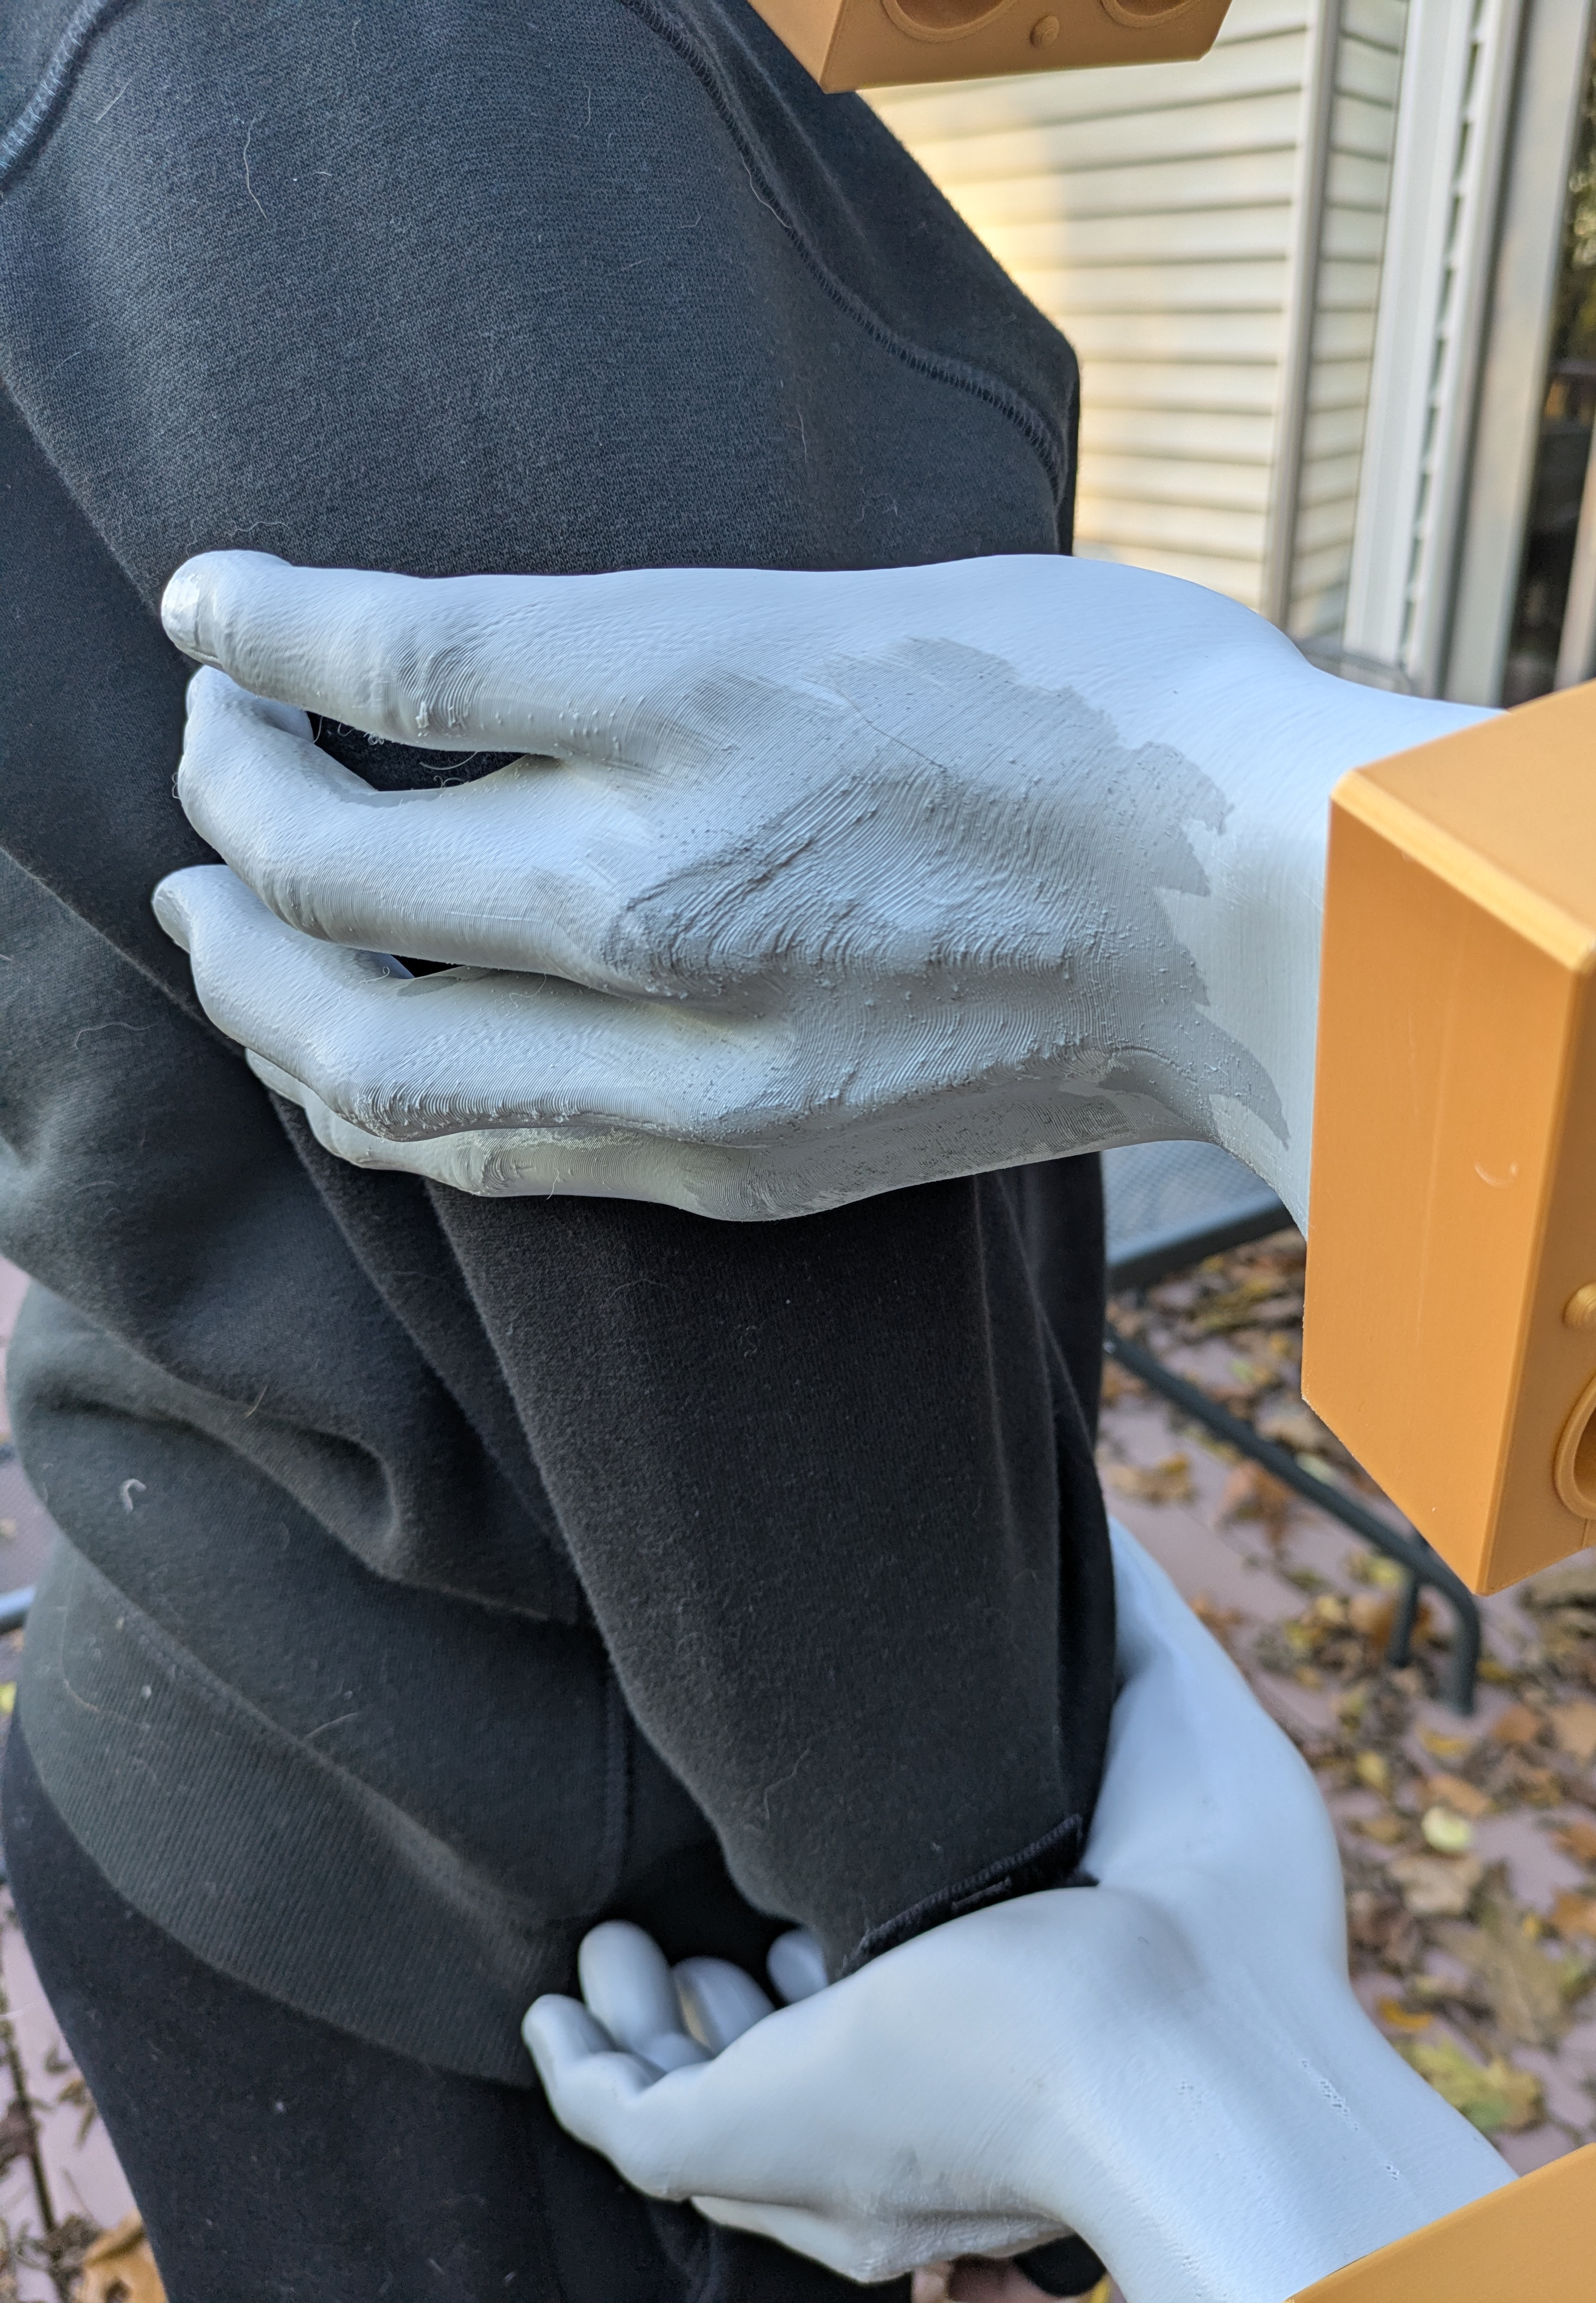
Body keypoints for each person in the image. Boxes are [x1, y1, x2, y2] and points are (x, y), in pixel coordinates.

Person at [0, 4, 1118, 2295]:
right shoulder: (345, 58)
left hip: (278, 1713)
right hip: (613, 1935)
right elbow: (633, 1102)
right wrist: (970, 1921)